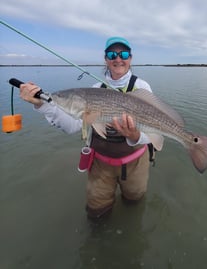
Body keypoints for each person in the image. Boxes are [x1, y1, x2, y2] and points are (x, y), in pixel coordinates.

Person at [20, 37, 155, 219]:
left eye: (123, 54)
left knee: (134, 202)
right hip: (100, 164)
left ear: (130, 58)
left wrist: (136, 135)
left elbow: (153, 130)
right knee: (96, 212)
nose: (117, 59)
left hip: (135, 162)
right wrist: (43, 105)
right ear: (105, 59)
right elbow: (73, 126)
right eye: (111, 54)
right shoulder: (95, 88)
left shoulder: (142, 87)